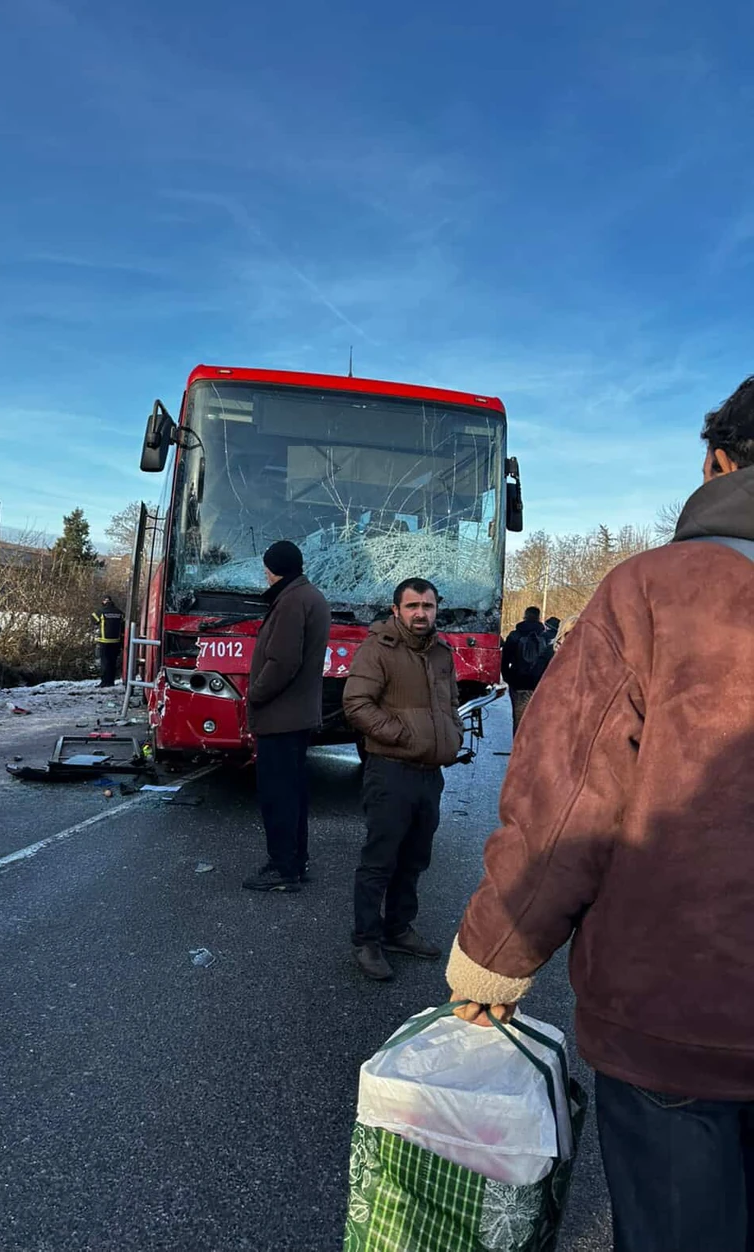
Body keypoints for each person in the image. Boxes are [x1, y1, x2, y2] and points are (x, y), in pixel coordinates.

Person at [445, 376, 754, 1251]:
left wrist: (495, 958)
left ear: (716, 460)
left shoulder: (656, 592)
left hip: (678, 1024)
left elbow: (567, 804)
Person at [343, 578, 465, 980]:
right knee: (380, 860)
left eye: (427, 606)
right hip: (390, 771)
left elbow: (450, 703)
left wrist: (453, 735)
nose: (420, 613)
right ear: (396, 610)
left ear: (436, 609)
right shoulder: (377, 649)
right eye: (412, 606)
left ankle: (398, 928)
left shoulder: (442, 653)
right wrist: (403, 736)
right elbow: (356, 704)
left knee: (414, 858)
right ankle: (367, 939)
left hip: (430, 775)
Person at [243, 541, 330, 893]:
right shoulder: (309, 596)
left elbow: (282, 662)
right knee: (293, 794)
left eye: (266, 568)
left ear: (274, 568)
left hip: (281, 716)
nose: (265, 574)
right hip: (297, 716)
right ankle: (295, 861)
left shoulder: (291, 601)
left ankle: (283, 867)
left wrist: (255, 693)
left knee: (278, 795)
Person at [501, 605, 551, 732]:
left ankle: (518, 749)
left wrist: (509, 678)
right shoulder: (546, 637)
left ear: (525, 616)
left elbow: (504, 660)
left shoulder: (514, 636)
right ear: (539, 618)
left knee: (519, 719)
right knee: (538, 720)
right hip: (539, 684)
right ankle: (534, 749)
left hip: (518, 683)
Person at [92, 595, 124, 688]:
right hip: (116, 641)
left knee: (105, 662)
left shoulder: (101, 611)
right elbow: (123, 624)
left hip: (104, 641)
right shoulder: (119, 612)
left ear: (104, 601)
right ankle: (111, 681)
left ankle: (104, 682)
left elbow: (94, 619)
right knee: (113, 662)